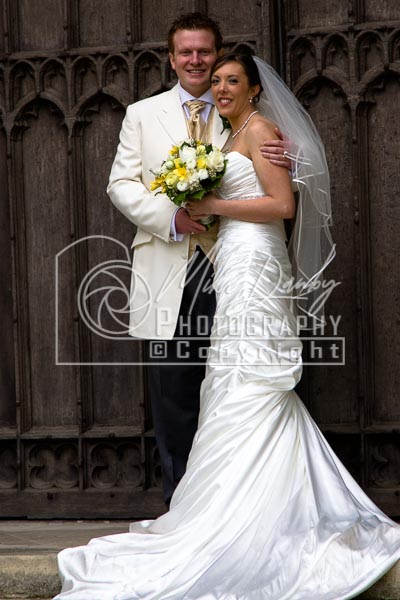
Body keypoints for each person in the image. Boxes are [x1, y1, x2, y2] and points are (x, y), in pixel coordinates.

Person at [55, 52, 400, 599]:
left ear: (256, 90)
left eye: (231, 80)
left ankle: (261, 514)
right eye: (215, 80)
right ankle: (237, 504)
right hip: (232, 260)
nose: (219, 87)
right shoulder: (228, 130)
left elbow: (283, 204)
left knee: (255, 378)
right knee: (233, 380)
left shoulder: (259, 129)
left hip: (255, 261)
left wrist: (214, 201)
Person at [107, 12, 289, 506]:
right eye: (185, 52)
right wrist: (171, 218)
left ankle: (239, 503)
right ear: (171, 58)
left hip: (231, 264)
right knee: (175, 389)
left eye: (204, 52)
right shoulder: (143, 115)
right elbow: (121, 185)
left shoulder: (240, 113)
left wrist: (282, 162)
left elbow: (274, 187)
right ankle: (182, 507)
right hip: (168, 264)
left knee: (236, 382)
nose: (195, 60)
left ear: (217, 56)